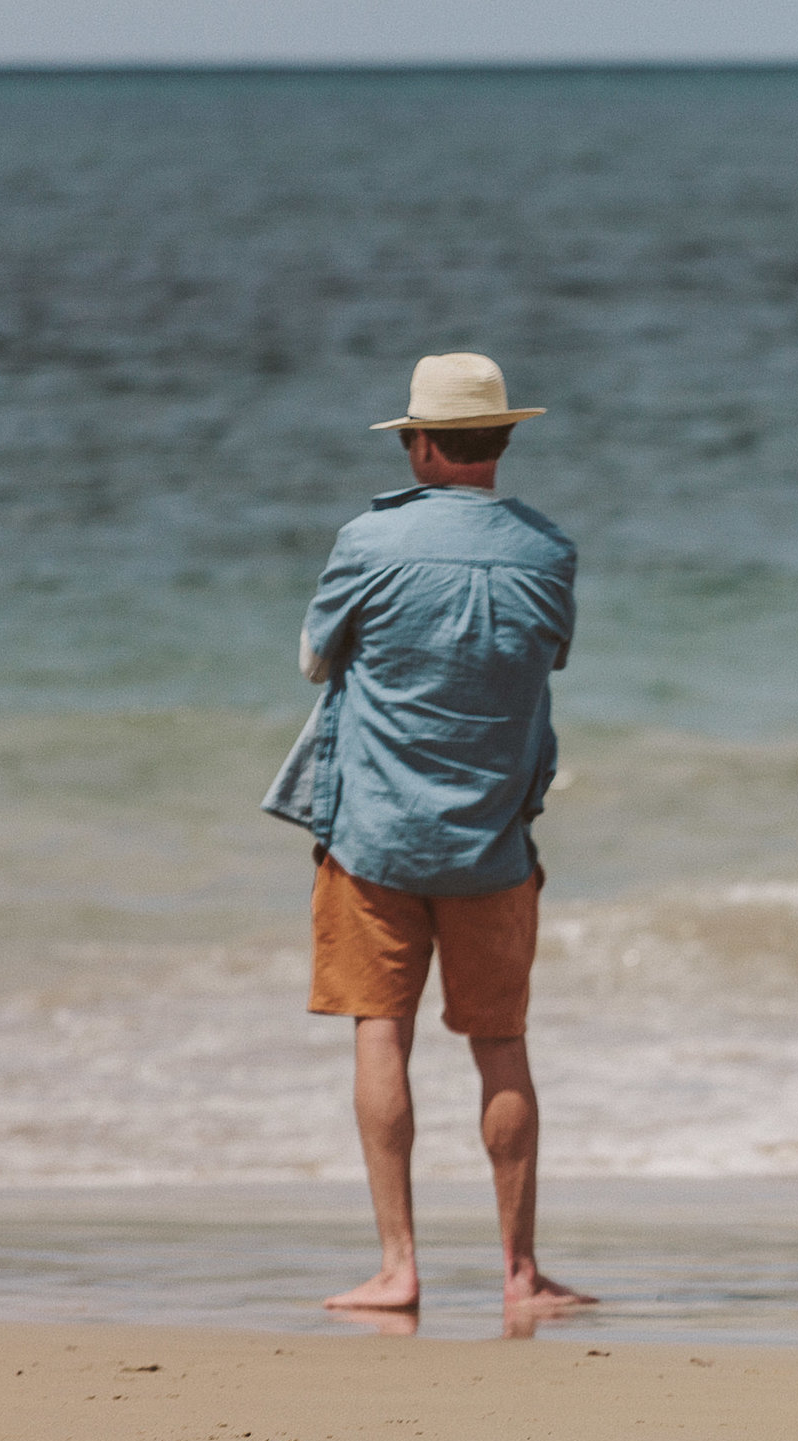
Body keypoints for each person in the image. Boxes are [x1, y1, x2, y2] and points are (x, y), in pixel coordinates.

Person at [263, 352, 592, 1318]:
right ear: (501, 439)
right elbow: (551, 659)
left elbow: (314, 657)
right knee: (501, 1044)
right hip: (494, 838)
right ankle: (521, 1271)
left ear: (417, 444)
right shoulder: (548, 548)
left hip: (373, 838)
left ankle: (399, 1266)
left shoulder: (369, 540)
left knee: (382, 1036)